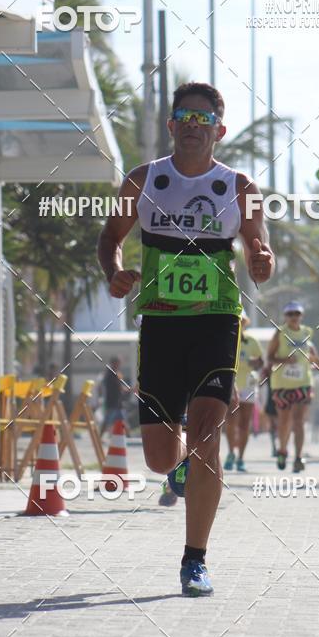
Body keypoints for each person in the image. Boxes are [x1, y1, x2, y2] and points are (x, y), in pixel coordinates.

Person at [97, 81, 274, 596]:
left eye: (204, 119)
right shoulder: (143, 180)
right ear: (172, 126)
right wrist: (115, 271)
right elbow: (111, 237)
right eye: (184, 117)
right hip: (160, 324)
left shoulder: (239, 187)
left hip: (218, 320)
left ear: (219, 130)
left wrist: (261, 261)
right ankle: (176, 469)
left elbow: (258, 247)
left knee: (204, 438)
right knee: (158, 457)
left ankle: (194, 560)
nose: (193, 126)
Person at [266, 301, 319, 472]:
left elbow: (316, 359)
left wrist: (316, 361)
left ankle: (299, 457)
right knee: (284, 421)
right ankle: (282, 450)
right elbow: (269, 357)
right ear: (285, 316)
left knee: (299, 422)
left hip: (303, 383)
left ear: (301, 316)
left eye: (296, 314)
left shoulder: (307, 333)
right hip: (282, 384)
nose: (293, 317)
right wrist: (285, 360)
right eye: (290, 314)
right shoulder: (280, 333)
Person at [224, 314, 263, 472]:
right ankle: (231, 453)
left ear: (245, 323)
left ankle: (240, 457)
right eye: (235, 320)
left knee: (244, 424)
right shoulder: (226, 338)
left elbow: (261, 362)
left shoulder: (252, 341)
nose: (238, 323)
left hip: (248, 385)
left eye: (241, 321)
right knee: (231, 422)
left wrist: (256, 362)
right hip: (230, 385)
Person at [100, 356, 131, 436]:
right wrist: (131, 389)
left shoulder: (113, 373)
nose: (119, 365)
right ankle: (99, 437)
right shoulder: (111, 374)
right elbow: (120, 387)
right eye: (118, 363)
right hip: (112, 402)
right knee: (107, 421)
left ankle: (129, 436)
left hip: (117, 402)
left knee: (122, 420)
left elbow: (120, 387)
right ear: (113, 363)